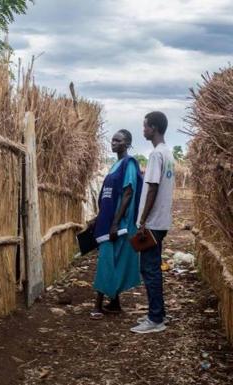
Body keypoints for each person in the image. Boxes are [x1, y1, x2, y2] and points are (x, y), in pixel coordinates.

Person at [90, 129, 143, 320]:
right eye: (112, 139)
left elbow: (128, 193)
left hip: (119, 224)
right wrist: (100, 216)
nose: (113, 143)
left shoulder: (129, 163)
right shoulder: (116, 165)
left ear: (127, 143)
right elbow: (109, 195)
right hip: (109, 221)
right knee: (115, 258)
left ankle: (97, 305)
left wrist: (114, 223)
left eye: (118, 140)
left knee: (107, 259)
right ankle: (114, 303)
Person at [131, 111, 175, 334]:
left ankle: (155, 319)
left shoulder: (157, 155)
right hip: (162, 221)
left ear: (154, 128)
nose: (144, 130)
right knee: (152, 267)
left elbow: (153, 188)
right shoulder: (168, 153)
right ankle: (157, 314)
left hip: (153, 223)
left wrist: (142, 220)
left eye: (145, 126)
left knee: (149, 269)